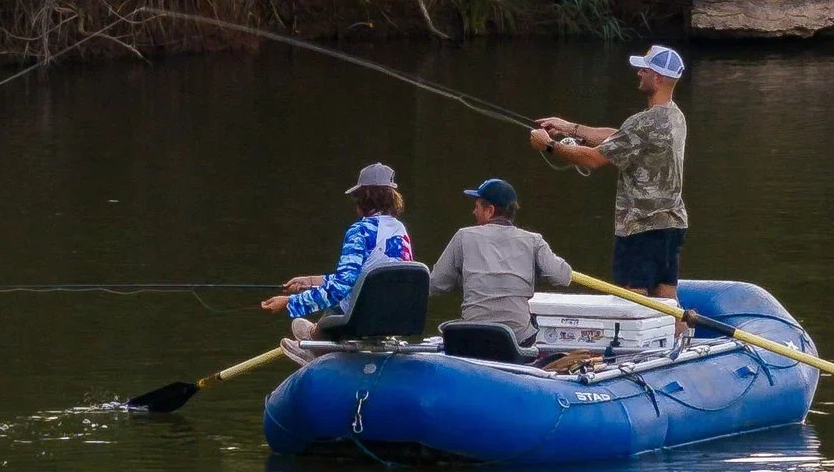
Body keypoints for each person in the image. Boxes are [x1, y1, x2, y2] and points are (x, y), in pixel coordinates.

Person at [530, 43, 688, 299]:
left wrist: (548, 145)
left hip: (641, 228)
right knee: (667, 297)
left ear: (657, 78)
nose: (639, 73)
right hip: (672, 225)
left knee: (633, 299)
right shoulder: (675, 116)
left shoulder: (643, 122)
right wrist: (570, 128)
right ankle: (680, 340)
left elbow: (593, 159)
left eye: (644, 70)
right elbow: (619, 137)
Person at [262, 161, 416, 340]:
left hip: (363, 318)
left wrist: (290, 303)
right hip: (395, 317)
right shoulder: (400, 230)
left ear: (364, 197)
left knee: (336, 304)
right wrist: (311, 281)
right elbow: (362, 277)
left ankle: (316, 339)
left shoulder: (360, 231)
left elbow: (341, 287)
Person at [428, 177, 570, 345]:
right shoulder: (534, 241)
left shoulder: (463, 236)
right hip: (517, 337)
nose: (474, 212)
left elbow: (436, 284)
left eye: (477, 206)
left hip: (474, 334)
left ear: (490, 210)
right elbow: (563, 277)